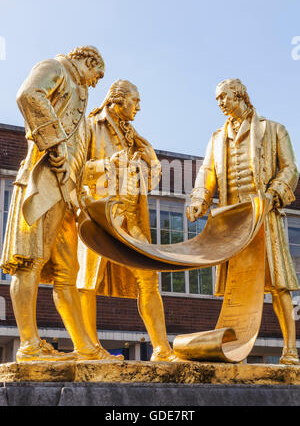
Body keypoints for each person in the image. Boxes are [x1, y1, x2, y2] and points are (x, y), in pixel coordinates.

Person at [0, 46, 121, 361]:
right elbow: (28, 94)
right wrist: (54, 144)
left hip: (67, 192)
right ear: (87, 61)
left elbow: (77, 148)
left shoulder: (79, 89)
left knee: (68, 271)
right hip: (43, 183)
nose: (96, 84)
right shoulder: (55, 67)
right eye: (98, 75)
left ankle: (86, 348)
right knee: (29, 262)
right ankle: (29, 345)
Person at [186, 78, 300, 365]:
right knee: (237, 289)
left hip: (263, 216)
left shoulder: (273, 130)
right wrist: (199, 199)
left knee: (279, 285)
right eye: (218, 99)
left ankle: (289, 349)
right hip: (231, 221)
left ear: (240, 96)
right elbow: (207, 174)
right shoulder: (216, 138)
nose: (220, 103)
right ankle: (235, 348)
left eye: (224, 97)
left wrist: (273, 194)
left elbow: (290, 169)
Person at [77, 79, 181, 361]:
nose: (139, 107)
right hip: (98, 216)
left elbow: (149, 182)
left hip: (132, 218)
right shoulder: (89, 126)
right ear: (117, 100)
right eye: (135, 101)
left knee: (149, 279)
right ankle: (89, 348)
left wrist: (152, 162)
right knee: (86, 281)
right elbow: (74, 171)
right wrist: (106, 165)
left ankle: (161, 349)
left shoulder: (134, 136)